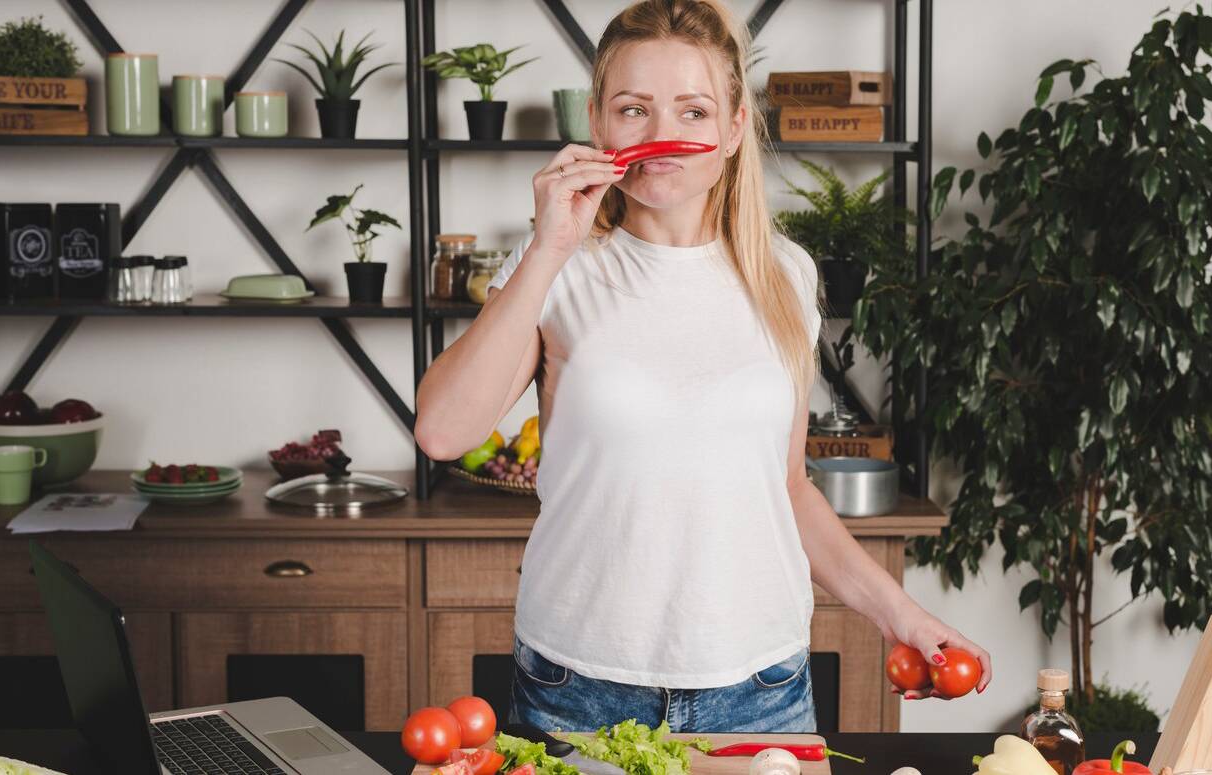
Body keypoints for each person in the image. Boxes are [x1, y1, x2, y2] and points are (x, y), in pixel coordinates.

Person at [414, 0, 991, 733]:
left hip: (762, 684)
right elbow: (442, 430)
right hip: (578, 683)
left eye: (692, 111)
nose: (662, 136)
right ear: (597, 123)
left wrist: (899, 613)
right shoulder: (560, 271)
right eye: (633, 110)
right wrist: (548, 246)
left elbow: (787, 488)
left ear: (734, 128)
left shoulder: (784, 273)